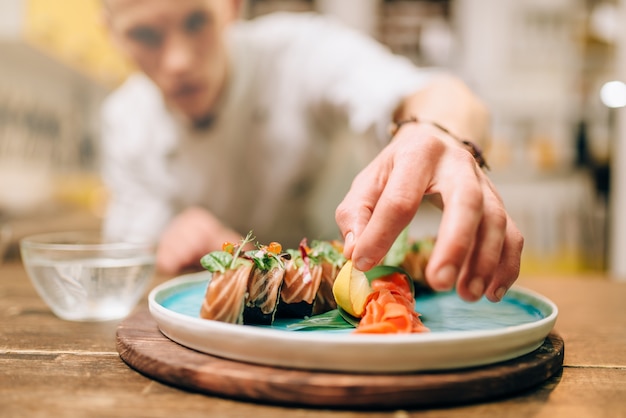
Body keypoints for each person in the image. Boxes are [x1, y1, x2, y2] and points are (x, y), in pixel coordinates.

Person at [101, 0, 523, 303]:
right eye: (144, 35)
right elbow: (133, 257)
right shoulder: (123, 120)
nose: (177, 61)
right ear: (112, 33)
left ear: (231, 6)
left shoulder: (298, 51)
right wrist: (171, 237)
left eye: (196, 21)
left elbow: (446, 95)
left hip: (343, 292)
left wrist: (436, 133)